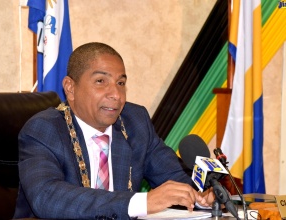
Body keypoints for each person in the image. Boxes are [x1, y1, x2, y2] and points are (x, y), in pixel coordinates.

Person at [13, 42, 214, 219]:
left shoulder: (135, 121)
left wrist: (199, 196)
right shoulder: (45, 129)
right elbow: (46, 196)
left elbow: (173, 177)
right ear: (70, 88)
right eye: (101, 81)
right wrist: (140, 203)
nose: (116, 95)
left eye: (121, 83)